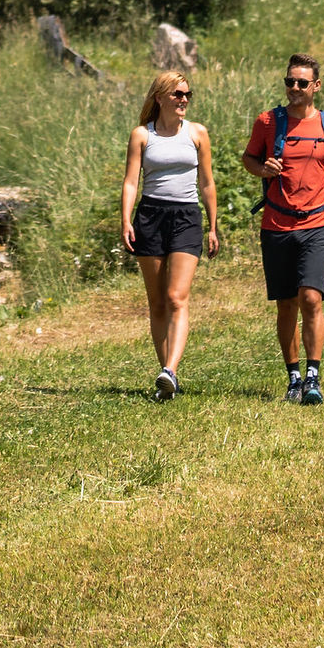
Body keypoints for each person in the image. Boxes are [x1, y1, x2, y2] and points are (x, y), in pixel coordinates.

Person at [242, 49, 324, 404]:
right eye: (290, 81)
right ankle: (293, 378)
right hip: (276, 225)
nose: (295, 88)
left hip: (316, 224)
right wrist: (262, 169)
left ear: (316, 86)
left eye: (302, 83)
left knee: (311, 298)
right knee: (286, 304)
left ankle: (313, 377)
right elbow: (249, 158)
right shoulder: (268, 122)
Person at [119, 66, 218, 400]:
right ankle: (167, 378)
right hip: (150, 216)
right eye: (178, 94)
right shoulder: (142, 135)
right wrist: (126, 220)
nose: (184, 99)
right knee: (158, 303)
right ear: (160, 97)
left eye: (187, 94)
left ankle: (170, 370)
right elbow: (131, 181)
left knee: (177, 297)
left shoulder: (197, 133)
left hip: (186, 217)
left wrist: (213, 226)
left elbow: (207, 183)